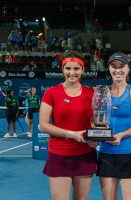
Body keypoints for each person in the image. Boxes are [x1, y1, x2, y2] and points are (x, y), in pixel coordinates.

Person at [39, 51, 97, 200]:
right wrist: (71, 134)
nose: (72, 73)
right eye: (68, 68)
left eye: (76, 69)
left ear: (83, 70)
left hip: (85, 154)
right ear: (62, 69)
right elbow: (44, 125)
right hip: (59, 154)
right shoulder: (51, 93)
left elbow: (95, 123)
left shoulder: (92, 94)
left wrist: (96, 136)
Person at [97, 52, 131, 200]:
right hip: (106, 153)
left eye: (121, 66)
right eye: (114, 66)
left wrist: (121, 135)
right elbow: (96, 121)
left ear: (128, 68)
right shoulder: (101, 93)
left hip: (128, 153)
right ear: (109, 69)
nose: (117, 70)